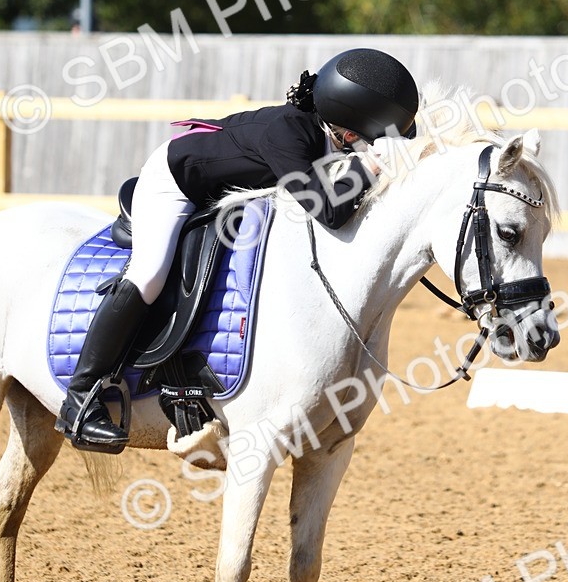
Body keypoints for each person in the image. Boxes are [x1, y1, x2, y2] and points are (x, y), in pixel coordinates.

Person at [55, 47, 420, 455]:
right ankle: (80, 399)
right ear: (349, 134)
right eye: (370, 141)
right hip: (176, 183)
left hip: (229, 192)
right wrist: (369, 168)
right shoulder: (287, 135)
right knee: (150, 274)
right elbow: (329, 212)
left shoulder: (332, 131)